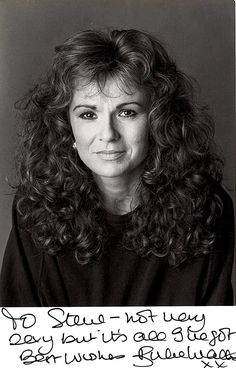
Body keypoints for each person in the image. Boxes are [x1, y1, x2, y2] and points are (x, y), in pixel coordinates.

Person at [0, 29, 234, 306]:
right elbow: (15, 339)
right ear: (66, 127)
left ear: (157, 120)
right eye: (88, 114)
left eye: (127, 112)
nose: (108, 133)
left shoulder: (205, 207)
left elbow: (212, 340)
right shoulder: (36, 206)